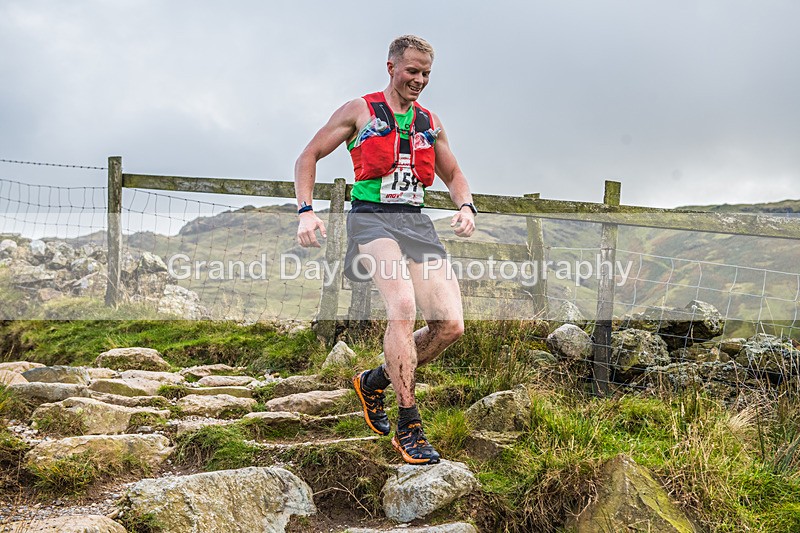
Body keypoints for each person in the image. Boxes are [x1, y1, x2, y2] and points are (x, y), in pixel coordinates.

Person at [294, 35, 477, 465]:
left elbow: (454, 174)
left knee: (451, 325)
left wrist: (466, 206)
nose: (419, 80)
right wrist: (306, 210)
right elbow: (308, 155)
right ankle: (408, 423)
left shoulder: (430, 120)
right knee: (402, 306)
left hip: (415, 221)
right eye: (412, 71)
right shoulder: (360, 110)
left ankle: (374, 381)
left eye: (426, 74)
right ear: (392, 67)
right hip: (371, 218)